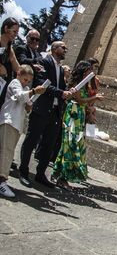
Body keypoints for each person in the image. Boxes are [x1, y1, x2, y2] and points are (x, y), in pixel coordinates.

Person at [19, 40, 72, 188]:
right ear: (54, 49)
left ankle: (40, 174)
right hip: (41, 109)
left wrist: (67, 92)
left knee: (48, 145)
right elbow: (42, 84)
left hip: (55, 112)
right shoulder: (44, 62)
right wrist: (62, 92)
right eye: (63, 47)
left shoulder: (61, 69)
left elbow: (60, 87)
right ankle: (23, 171)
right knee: (31, 140)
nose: (65, 49)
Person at [51, 60, 104, 188]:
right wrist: (95, 98)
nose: (91, 73)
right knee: (70, 144)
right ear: (83, 71)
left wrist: (89, 110)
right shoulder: (77, 83)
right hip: (73, 114)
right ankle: (62, 178)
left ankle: (58, 173)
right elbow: (79, 100)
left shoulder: (85, 84)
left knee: (70, 144)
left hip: (79, 115)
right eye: (88, 71)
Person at [0, 65, 46, 198]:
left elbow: (26, 106)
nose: (26, 82)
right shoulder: (15, 83)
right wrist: (33, 91)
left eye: (28, 81)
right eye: (25, 79)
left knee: (7, 150)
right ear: (18, 74)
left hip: (17, 124)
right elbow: (19, 96)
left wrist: (29, 106)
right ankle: (2, 181)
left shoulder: (25, 88)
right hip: (8, 121)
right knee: (6, 151)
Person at [0, 17, 21, 108]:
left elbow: (16, 65)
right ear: (6, 28)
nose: (16, 35)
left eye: (17, 32)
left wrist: (26, 72)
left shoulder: (10, 48)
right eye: (14, 31)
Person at [85, 57, 101, 126]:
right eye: (95, 66)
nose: (97, 69)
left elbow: (94, 97)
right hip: (82, 107)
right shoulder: (84, 78)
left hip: (90, 109)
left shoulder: (96, 80)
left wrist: (92, 111)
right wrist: (89, 111)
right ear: (89, 66)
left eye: (98, 67)